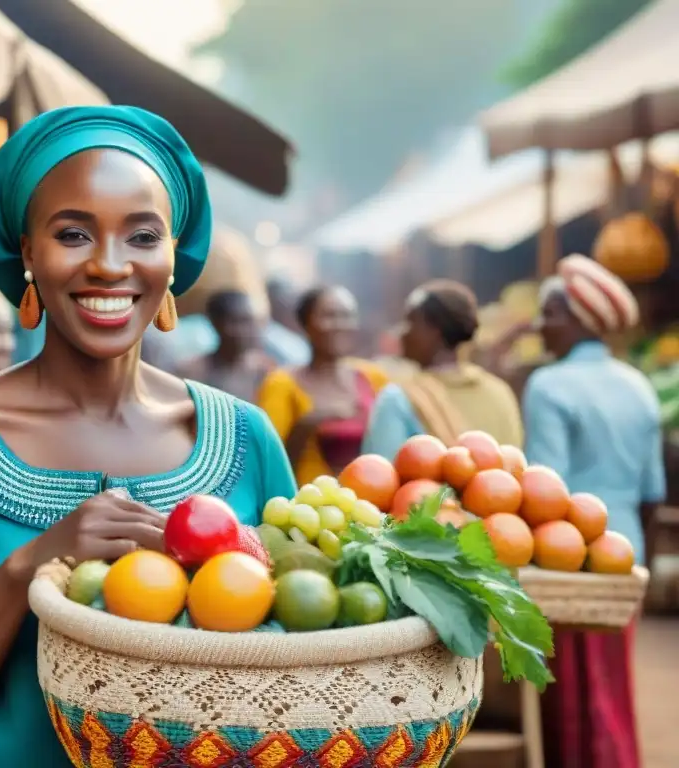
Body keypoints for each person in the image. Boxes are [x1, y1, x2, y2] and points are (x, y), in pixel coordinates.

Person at [0, 105, 297, 766]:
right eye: (73, 235)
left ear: (173, 256)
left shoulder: (245, 439)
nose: (109, 265)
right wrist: (27, 569)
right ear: (27, 253)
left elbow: (294, 674)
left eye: (142, 235)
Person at [526, 254, 663, 768]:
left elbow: (546, 490)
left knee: (570, 703)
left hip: (565, 561)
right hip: (625, 554)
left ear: (582, 318)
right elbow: (652, 493)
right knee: (613, 687)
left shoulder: (549, 385)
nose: (542, 326)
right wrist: (630, 555)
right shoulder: (639, 385)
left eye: (552, 314)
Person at [361, 279, 523, 458]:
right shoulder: (499, 392)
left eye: (410, 322)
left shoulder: (398, 399)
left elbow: (378, 476)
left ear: (434, 331)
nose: (403, 333)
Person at [258, 286, 385, 484]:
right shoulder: (281, 384)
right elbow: (267, 464)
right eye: (329, 316)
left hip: (373, 504)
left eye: (347, 316)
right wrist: (307, 424)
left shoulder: (373, 378)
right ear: (306, 324)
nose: (340, 325)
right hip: (310, 507)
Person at [177, 289, 275, 401]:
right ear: (216, 323)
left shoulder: (265, 371)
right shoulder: (193, 372)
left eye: (249, 321)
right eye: (237, 322)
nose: (247, 330)